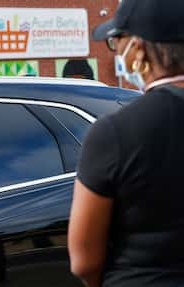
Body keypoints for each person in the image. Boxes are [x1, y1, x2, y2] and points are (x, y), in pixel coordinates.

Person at [68, 0, 184, 286]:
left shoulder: (115, 132)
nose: (117, 50)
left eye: (117, 41)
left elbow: (84, 262)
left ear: (139, 49)